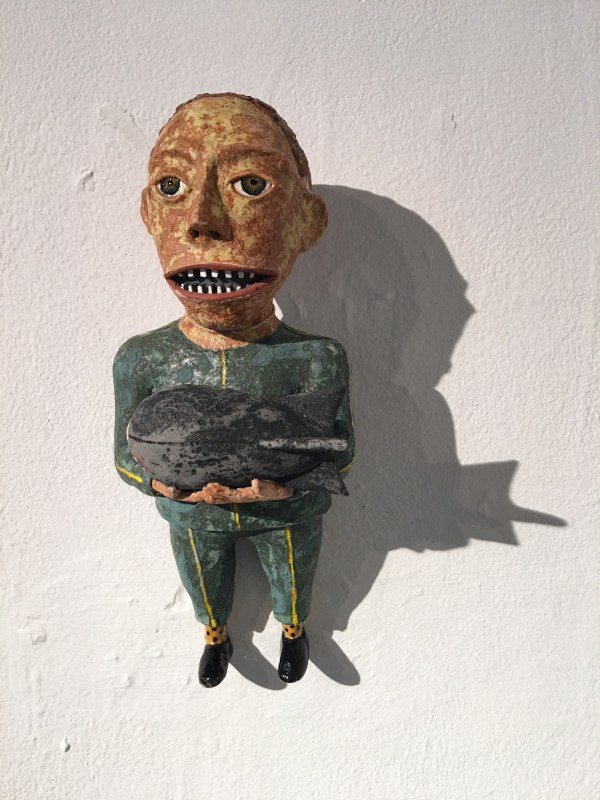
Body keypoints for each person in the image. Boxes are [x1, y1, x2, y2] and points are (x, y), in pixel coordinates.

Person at [113, 92, 354, 687]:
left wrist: (282, 485)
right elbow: (124, 453)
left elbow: (339, 449)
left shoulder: (315, 358)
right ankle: (214, 635)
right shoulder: (144, 358)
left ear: (306, 222)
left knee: (293, 569)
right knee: (202, 573)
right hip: (194, 516)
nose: (201, 219)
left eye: (251, 185)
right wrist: (164, 483)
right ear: (149, 213)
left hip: (287, 511)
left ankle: (294, 628)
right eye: (171, 186)